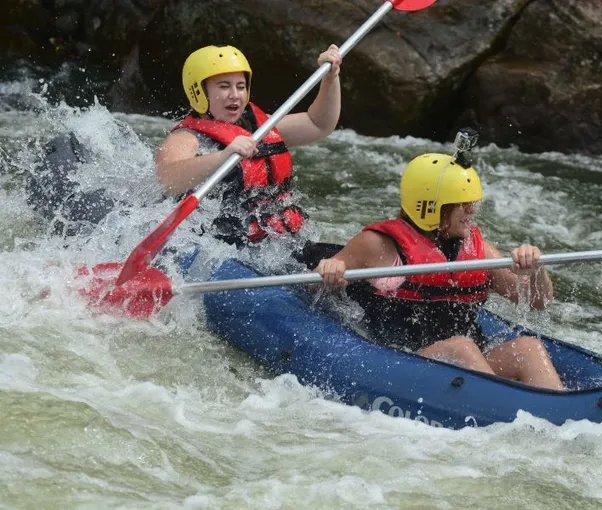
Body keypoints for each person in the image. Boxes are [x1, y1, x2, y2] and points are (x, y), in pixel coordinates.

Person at [315, 152, 565, 390]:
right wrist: (330, 272)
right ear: (431, 206)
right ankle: (506, 410)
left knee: (528, 348)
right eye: (462, 204)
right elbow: (315, 288)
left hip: (469, 364)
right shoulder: (377, 245)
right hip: (402, 361)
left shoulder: (479, 250)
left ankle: (558, 417)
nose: (472, 210)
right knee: (461, 348)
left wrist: (535, 271)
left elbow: (538, 301)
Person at [154, 44, 342, 247]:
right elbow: (167, 179)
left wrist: (330, 79)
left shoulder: (262, 127)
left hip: (280, 244)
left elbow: (319, 124)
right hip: (225, 248)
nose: (235, 94)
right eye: (224, 86)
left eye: (241, 86)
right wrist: (222, 156)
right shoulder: (186, 138)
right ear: (198, 91)